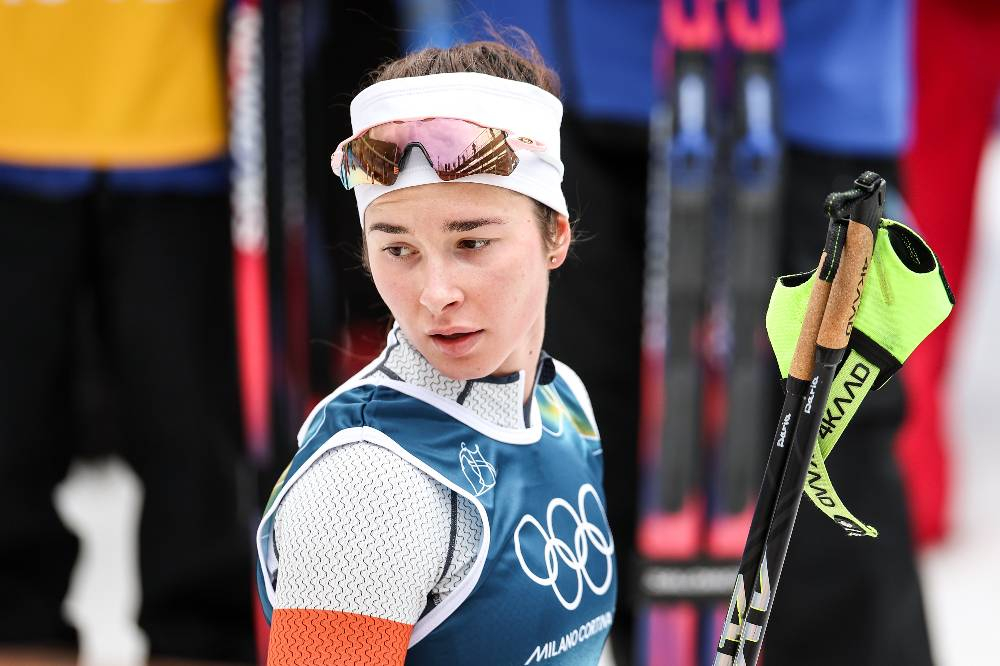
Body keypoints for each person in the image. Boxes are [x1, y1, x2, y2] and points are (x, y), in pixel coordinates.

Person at [255, 38, 617, 664]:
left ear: (555, 235)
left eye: (471, 243)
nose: (435, 294)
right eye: (398, 249)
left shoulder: (562, 402)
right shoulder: (367, 487)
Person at [0, 1, 254, 663]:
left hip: (182, 111)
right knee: (11, 415)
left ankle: (202, 631)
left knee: (188, 420)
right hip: (18, 109)